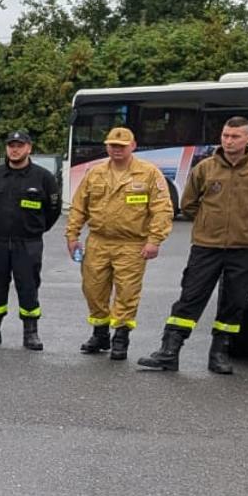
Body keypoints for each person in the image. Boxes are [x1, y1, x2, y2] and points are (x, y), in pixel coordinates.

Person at [137, 117, 248, 373]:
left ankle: (219, 354)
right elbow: (189, 204)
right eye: (225, 135)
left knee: (234, 302)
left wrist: (247, 221)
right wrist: (208, 222)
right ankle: (169, 351)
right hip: (206, 246)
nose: (229, 141)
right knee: (191, 297)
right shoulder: (205, 168)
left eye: (235, 136)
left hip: (244, 247)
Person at [65, 126, 174, 361]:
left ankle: (121, 338)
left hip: (132, 244)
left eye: (122, 146)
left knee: (127, 292)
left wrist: (155, 240)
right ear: (107, 147)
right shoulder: (95, 173)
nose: (117, 149)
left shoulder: (149, 173)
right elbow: (79, 207)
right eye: (113, 145)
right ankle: (100, 334)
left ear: (133, 146)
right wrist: (72, 236)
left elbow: (162, 209)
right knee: (93, 289)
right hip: (98, 242)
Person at [0, 131, 62, 350]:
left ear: (29, 148)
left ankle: (31, 332)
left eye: (19, 145)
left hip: (28, 242)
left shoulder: (43, 178)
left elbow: (53, 210)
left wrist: (35, 230)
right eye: (11, 146)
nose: (15, 150)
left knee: (28, 286)